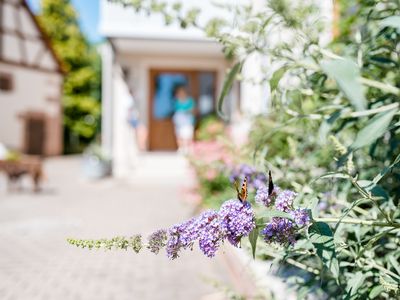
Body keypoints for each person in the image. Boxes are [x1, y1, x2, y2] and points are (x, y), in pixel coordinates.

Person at [172, 84, 195, 153]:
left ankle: (188, 149)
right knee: (179, 135)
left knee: (188, 136)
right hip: (179, 122)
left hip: (188, 121)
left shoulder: (190, 100)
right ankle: (181, 149)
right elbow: (175, 110)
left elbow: (193, 110)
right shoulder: (176, 101)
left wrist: (186, 111)